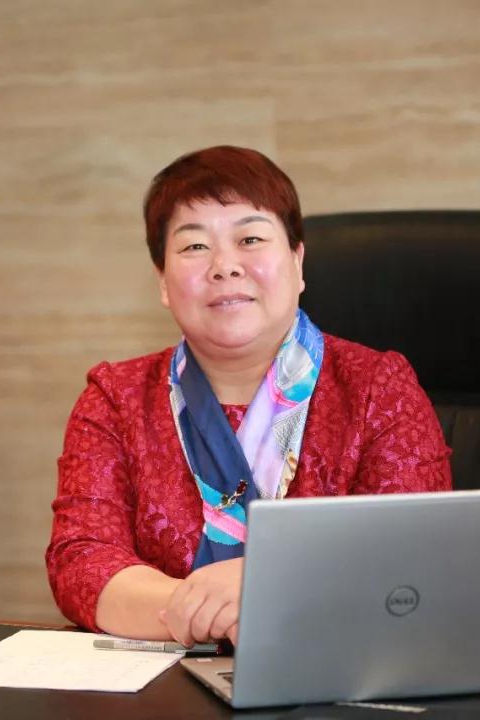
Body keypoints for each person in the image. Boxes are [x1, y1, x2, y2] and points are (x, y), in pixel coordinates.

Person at [46, 146, 451, 648]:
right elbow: (82, 561)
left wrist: (262, 592)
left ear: (297, 262)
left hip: (333, 671)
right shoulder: (115, 398)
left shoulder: (377, 388)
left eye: (251, 239)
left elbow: (410, 557)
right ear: (163, 282)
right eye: (195, 246)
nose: (225, 266)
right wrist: (215, 609)